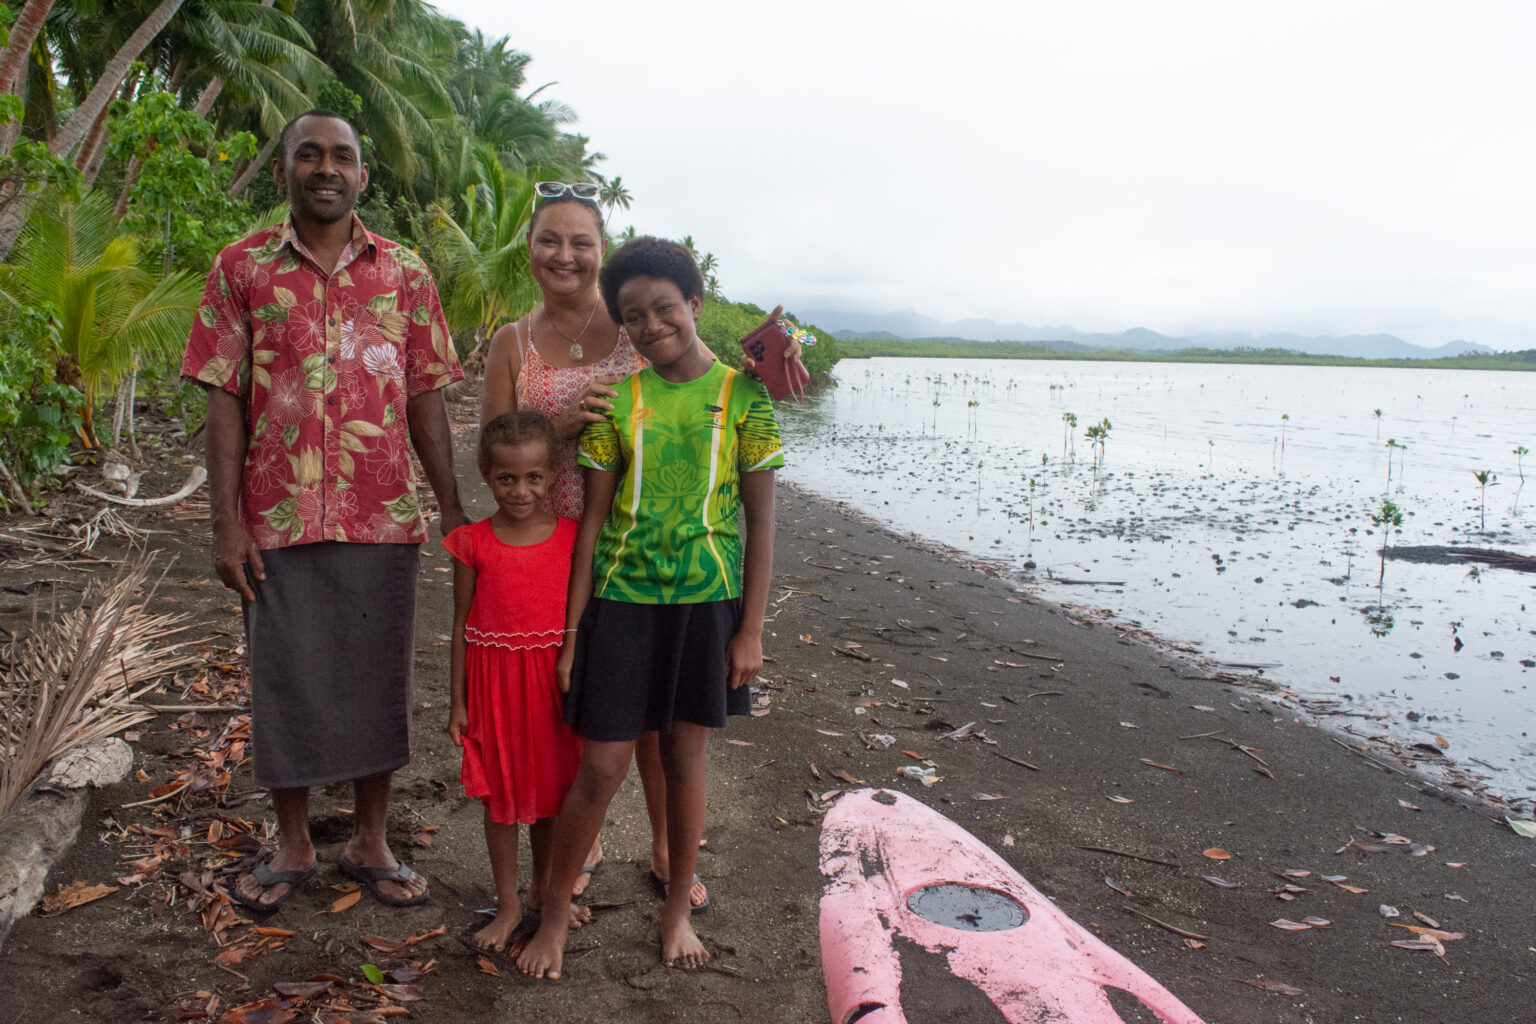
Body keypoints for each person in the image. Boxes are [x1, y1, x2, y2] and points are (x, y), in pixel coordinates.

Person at [480, 184, 803, 907]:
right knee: (574, 712)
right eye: (548, 240)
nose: (564, 255)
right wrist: (559, 431)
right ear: (529, 248)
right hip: (553, 542)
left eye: (580, 242)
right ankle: (572, 856)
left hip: (644, 555)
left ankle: (664, 849)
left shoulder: (635, 323)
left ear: (599, 251)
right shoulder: (514, 340)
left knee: (667, 733)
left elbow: (717, 382)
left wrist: (780, 357)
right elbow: (492, 447)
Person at [181, 109, 465, 914]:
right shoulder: (241, 267)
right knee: (287, 675)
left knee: (377, 675)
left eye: (342, 156)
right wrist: (224, 520)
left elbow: (424, 397)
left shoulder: (406, 272)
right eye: (310, 155)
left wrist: (449, 503)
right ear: (285, 171)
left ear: (363, 176)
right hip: (274, 514)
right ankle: (295, 840)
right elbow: (226, 400)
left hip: (382, 513)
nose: (327, 168)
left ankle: (371, 841)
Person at [445, 411, 589, 950]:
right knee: (500, 799)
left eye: (533, 477)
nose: (521, 490)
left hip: (551, 685)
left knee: (552, 797)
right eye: (507, 478)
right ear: (487, 475)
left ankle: (544, 895)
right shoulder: (472, 542)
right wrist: (456, 702)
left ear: (553, 475)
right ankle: (507, 906)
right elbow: (460, 625)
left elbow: (581, 616)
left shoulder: (573, 538)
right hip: (492, 686)